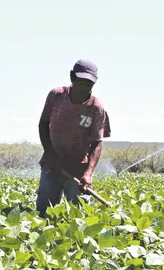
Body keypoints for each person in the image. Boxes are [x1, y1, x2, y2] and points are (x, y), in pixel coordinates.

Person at [36, 59, 111, 216]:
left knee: (79, 216)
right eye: (81, 83)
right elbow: (43, 124)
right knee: (44, 213)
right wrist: (49, 153)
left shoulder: (96, 108)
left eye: (89, 84)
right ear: (72, 77)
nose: (84, 88)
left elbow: (97, 143)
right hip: (52, 165)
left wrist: (88, 173)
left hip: (78, 169)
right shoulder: (56, 96)